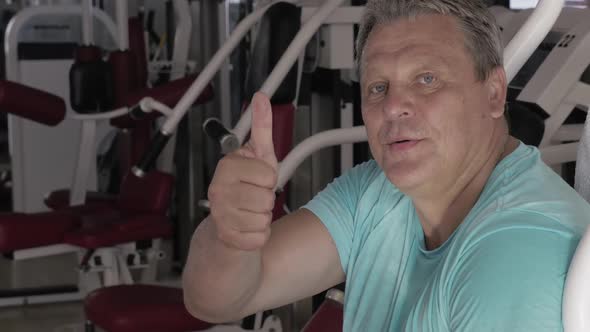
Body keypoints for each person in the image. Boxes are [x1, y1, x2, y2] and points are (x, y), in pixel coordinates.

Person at [182, 0, 590, 330]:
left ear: (494, 94)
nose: (393, 106)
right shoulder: (376, 192)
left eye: (427, 79)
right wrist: (230, 236)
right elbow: (213, 301)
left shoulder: (518, 255)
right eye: (378, 87)